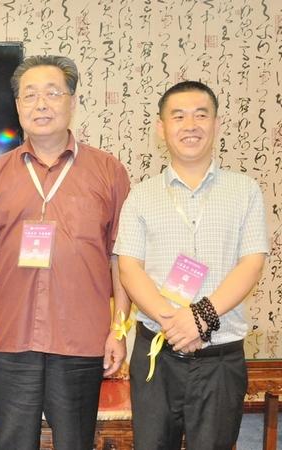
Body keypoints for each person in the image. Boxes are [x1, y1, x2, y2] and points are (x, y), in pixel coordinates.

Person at [0, 55, 131, 450]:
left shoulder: (108, 171)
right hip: (12, 335)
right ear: (18, 106)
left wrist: (118, 329)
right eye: (29, 95)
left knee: (75, 441)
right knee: (13, 442)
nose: (41, 104)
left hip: (81, 336)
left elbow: (121, 258)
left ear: (73, 101)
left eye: (52, 93)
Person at [114, 80, 268, 450]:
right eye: (178, 116)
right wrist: (174, 323)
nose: (190, 125)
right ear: (161, 127)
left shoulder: (245, 190)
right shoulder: (141, 195)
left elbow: (251, 263)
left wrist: (200, 317)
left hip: (220, 357)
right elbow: (129, 268)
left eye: (201, 115)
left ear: (216, 124)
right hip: (157, 355)